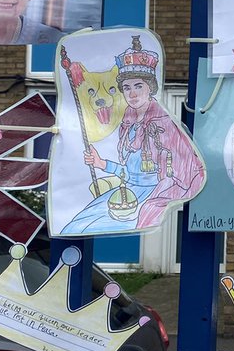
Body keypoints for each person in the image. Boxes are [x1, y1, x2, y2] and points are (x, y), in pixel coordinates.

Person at [63, 35, 204, 233]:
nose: (133, 94)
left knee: (94, 225)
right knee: (76, 225)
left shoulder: (163, 125)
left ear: (150, 88)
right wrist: (101, 163)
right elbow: (130, 173)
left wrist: (158, 200)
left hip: (153, 196)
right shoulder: (128, 124)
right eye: (127, 88)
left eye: (139, 86)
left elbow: (183, 173)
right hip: (127, 192)